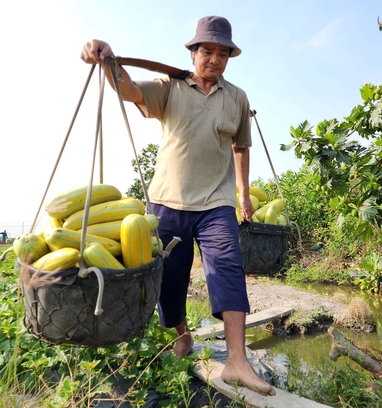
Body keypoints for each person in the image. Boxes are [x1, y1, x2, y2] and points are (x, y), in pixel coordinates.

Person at [80, 15, 275, 397]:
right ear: (193, 52)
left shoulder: (237, 97)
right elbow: (130, 90)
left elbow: (241, 147)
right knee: (170, 280)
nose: (215, 59)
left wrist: (243, 192)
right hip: (167, 201)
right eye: (208, 51)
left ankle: (237, 359)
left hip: (216, 203)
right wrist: (108, 61)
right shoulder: (171, 87)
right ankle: (183, 334)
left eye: (223, 53)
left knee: (228, 269)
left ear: (229, 57)